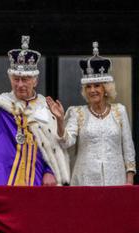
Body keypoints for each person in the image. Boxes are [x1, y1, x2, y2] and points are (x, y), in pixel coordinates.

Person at [0, 35, 69, 186]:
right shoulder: (2, 103)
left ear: (35, 81)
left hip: (36, 174)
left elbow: (53, 144)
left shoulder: (46, 108)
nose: (20, 84)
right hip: (1, 172)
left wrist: (50, 171)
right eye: (16, 79)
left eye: (25, 79)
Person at [47, 42, 135, 186]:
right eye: (88, 86)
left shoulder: (119, 111)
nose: (92, 90)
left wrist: (129, 178)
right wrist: (60, 121)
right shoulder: (77, 113)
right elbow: (66, 142)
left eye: (97, 85)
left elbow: (128, 147)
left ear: (106, 88)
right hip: (85, 181)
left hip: (116, 180)